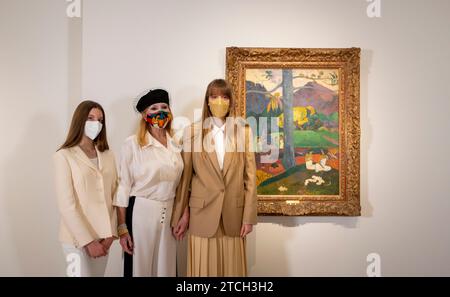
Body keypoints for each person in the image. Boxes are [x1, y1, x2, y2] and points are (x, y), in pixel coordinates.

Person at [171, 79, 257, 277]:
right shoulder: (192, 131)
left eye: (225, 97)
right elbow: (185, 178)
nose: (220, 101)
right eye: (214, 96)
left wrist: (249, 217)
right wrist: (181, 213)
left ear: (231, 101)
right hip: (201, 213)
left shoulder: (243, 131)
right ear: (207, 101)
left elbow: (250, 177)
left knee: (232, 272)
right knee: (203, 272)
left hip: (233, 215)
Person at [114, 89, 184, 277]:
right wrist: (122, 229)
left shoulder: (176, 144)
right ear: (145, 115)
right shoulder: (133, 144)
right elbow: (123, 186)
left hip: (169, 212)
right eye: (154, 108)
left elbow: (182, 184)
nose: (160, 112)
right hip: (141, 211)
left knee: (166, 269)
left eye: (164, 107)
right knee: (140, 268)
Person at [54, 100, 118, 277]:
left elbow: (115, 195)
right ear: (79, 120)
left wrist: (111, 235)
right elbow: (67, 205)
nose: (96, 123)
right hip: (76, 241)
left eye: (100, 120)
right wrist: (88, 242)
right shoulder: (64, 156)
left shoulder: (108, 154)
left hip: (104, 238)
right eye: (90, 118)